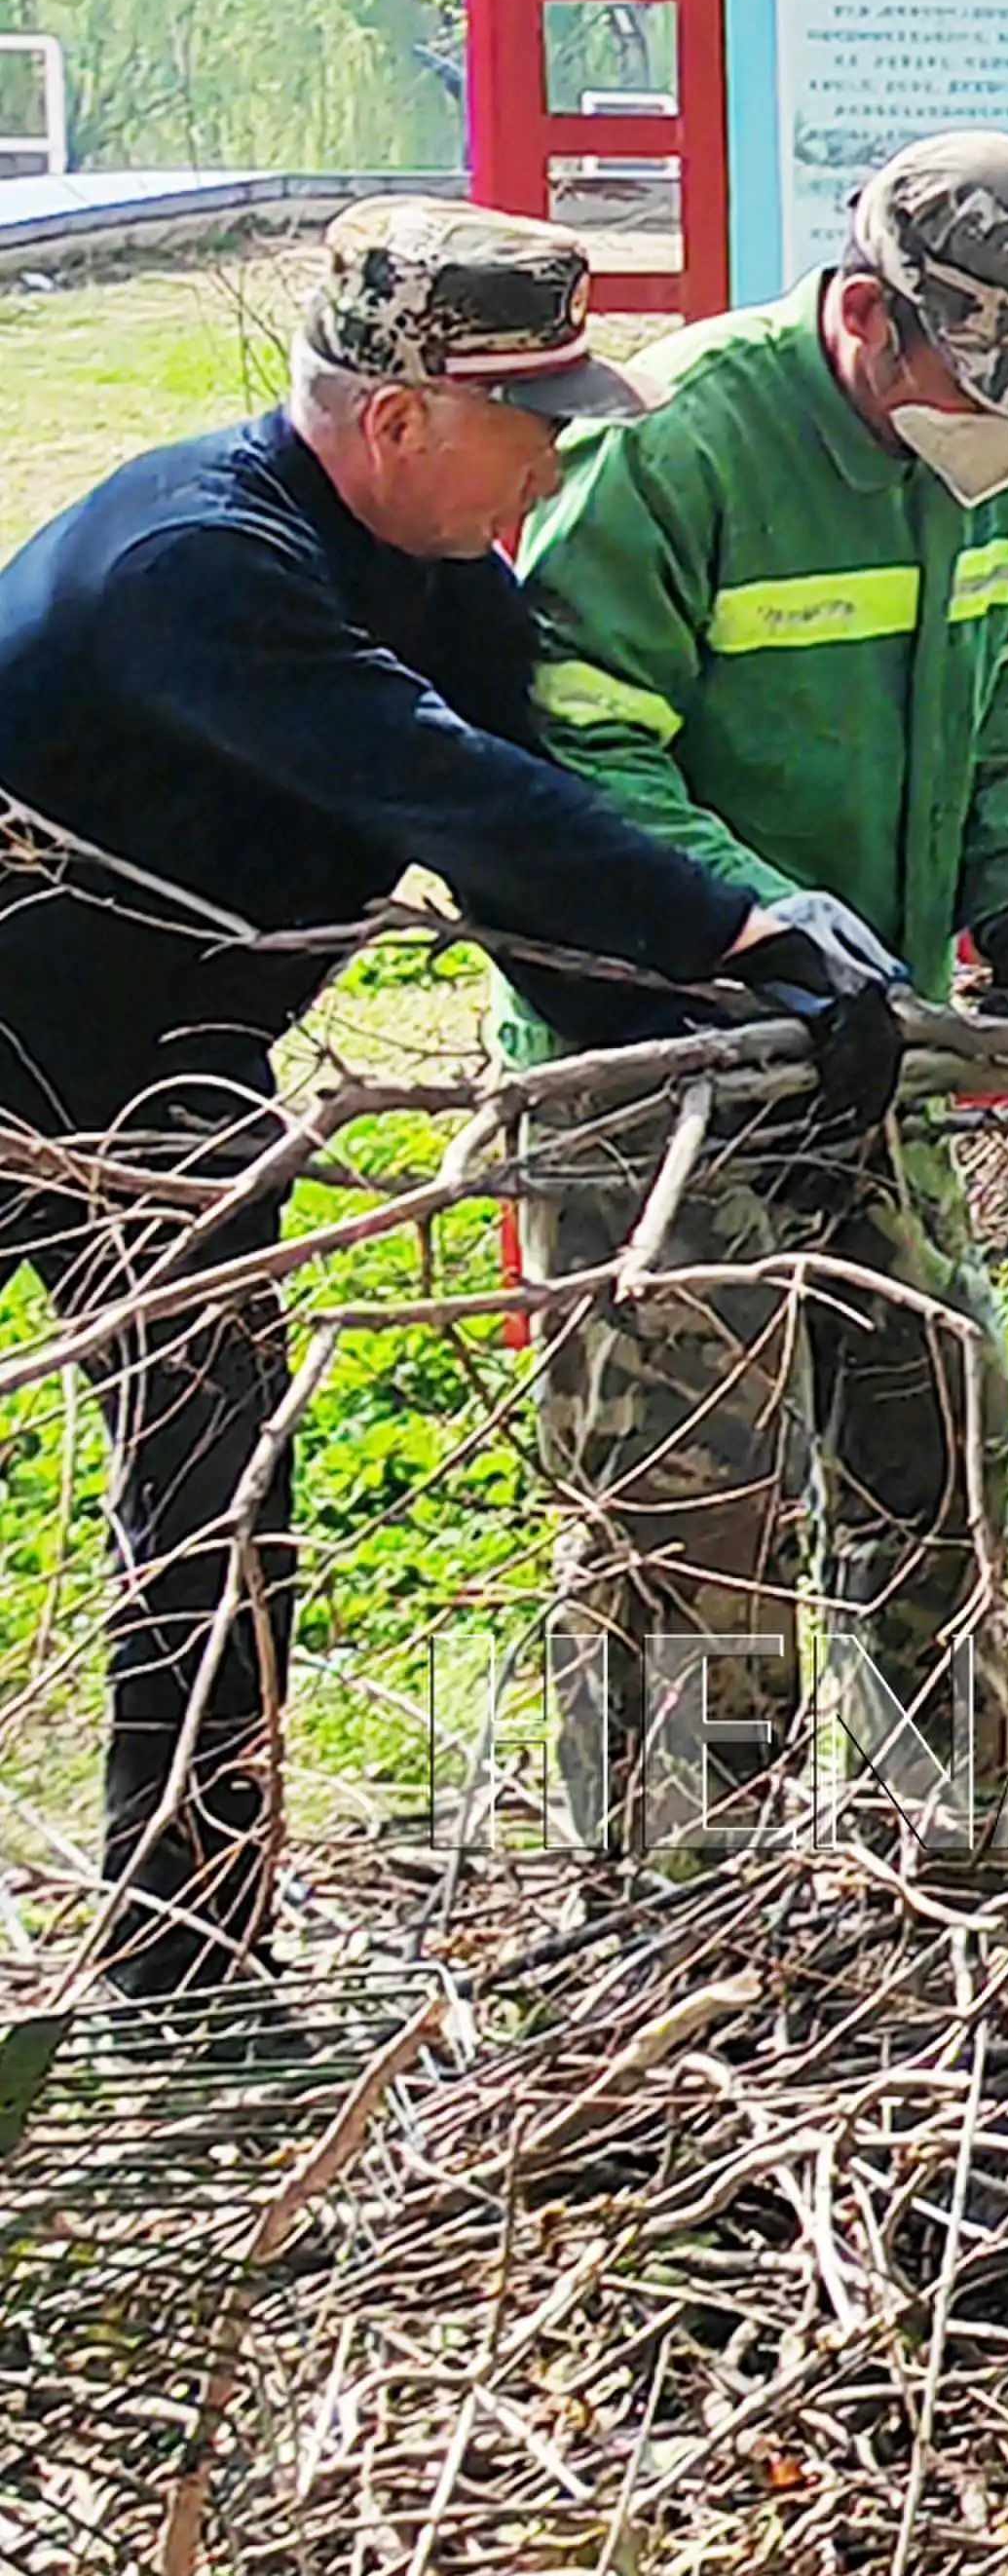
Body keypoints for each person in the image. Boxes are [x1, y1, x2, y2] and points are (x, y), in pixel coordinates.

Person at [0, 203, 863, 1993]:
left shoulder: (443, 575)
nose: (558, 455)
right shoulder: (201, 567)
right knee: (202, 1477)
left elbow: (532, 870)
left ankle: (186, 1951)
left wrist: (732, 1032)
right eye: (533, 419)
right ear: (399, 420)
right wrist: (747, 919)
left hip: (158, 1083)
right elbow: (450, 793)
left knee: (221, 1485)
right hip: (20, 1055)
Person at [511, 133, 1008, 1877]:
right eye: (979, 384)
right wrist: (759, 923)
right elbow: (571, 745)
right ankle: (676, 1889)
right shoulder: (679, 445)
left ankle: (965, 1841)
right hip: (656, 1056)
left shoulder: (997, 457)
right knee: (685, 1493)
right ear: (868, 316)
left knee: (931, 1415)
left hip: (871, 1045)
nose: (1005, 434)